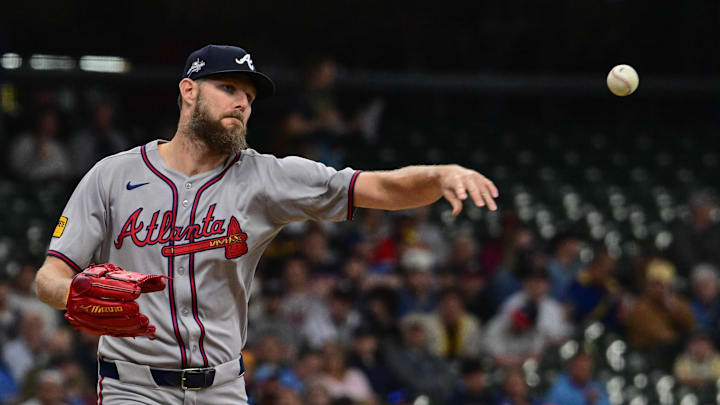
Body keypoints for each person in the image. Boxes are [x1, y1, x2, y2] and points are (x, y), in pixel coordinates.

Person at [34, 44, 499, 404]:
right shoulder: (113, 175)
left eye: (250, 96)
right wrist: (73, 293)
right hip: (132, 386)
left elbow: (375, 188)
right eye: (230, 88)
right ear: (188, 90)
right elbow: (50, 276)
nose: (242, 103)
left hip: (221, 387)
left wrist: (440, 175)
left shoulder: (265, 177)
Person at [544, 351, 610, 405]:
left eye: (588, 369)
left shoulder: (595, 388)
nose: (585, 372)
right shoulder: (559, 388)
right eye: (582, 369)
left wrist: (594, 402)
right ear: (572, 368)